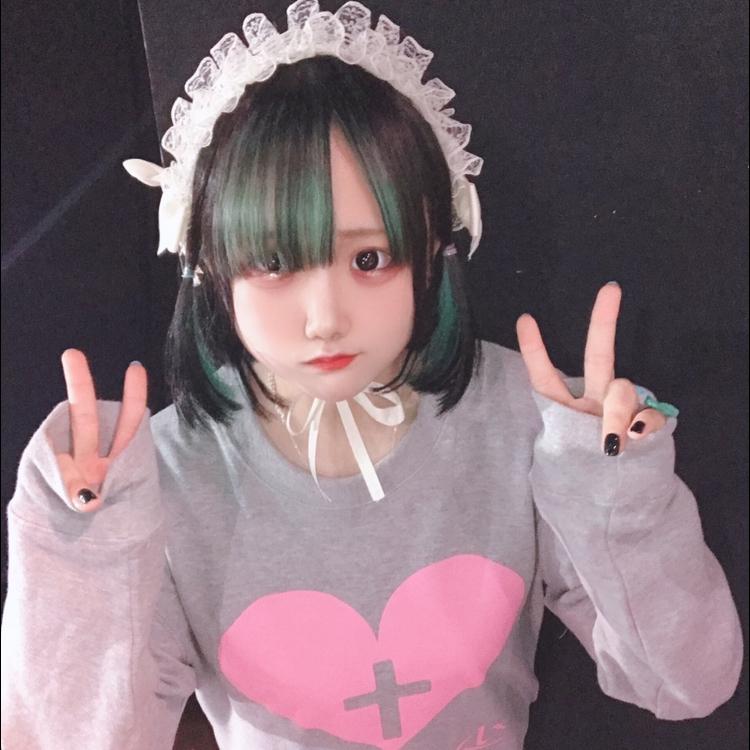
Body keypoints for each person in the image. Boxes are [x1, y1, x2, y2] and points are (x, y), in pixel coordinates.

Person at [1, 2, 743, 748]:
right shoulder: (158, 478)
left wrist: (617, 496)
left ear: (430, 250)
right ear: (212, 271)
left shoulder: (531, 422)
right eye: (274, 262)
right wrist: (86, 561)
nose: (326, 318)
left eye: (369, 258)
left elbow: (687, 682)